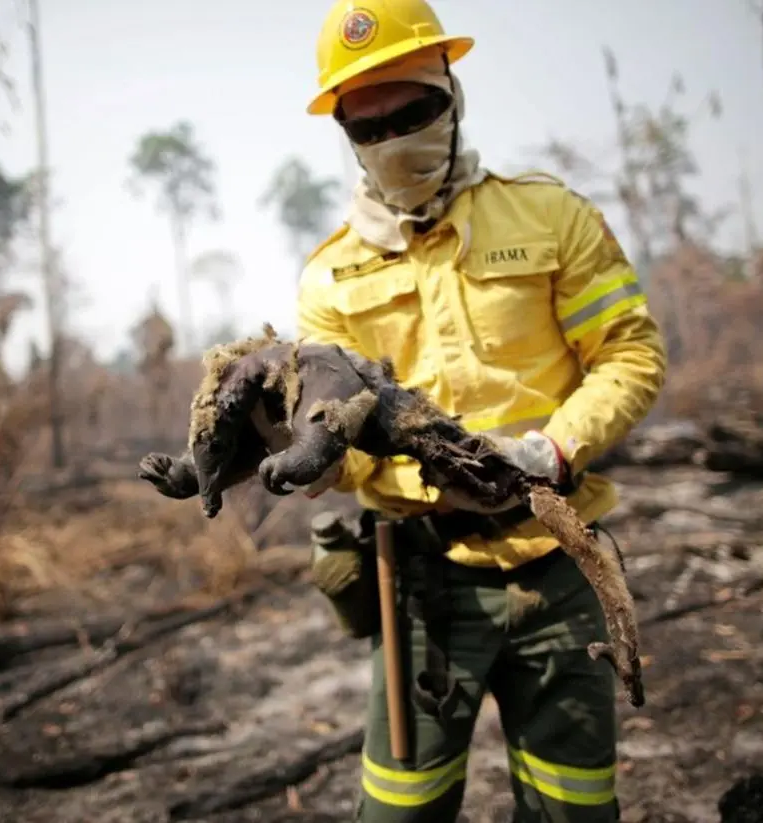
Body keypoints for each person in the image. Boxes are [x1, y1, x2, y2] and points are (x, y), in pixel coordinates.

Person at [295, 1, 668, 820]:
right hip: (421, 581)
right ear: (346, 134)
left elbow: (631, 352)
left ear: (452, 94)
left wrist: (553, 451)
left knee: (573, 807)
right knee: (401, 808)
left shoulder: (550, 216)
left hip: (560, 564)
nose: (394, 138)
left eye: (414, 111)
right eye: (370, 127)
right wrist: (326, 459)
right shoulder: (328, 280)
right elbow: (344, 447)